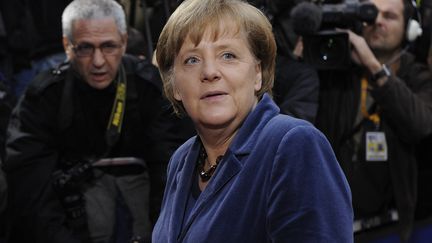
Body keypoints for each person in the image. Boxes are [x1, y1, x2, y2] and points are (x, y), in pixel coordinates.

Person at [152, 0, 353, 242]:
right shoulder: (182, 160)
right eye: (192, 60)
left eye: (228, 55)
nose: (209, 72)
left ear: (258, 73)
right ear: (174, 85)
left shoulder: (293, 144)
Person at [3, 0, 193, 242]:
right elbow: (30, 190)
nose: (98, 61)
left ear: (124, 42)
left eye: (109, 47)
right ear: (67, 46)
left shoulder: (150, 88)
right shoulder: (43, 98)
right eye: (85, 48)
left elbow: (171, 172)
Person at [314, 0, 432, 241]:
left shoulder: (416, 74)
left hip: (389, 226)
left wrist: (374, 66)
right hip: (332, 222)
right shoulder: (336, 63)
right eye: (370, 14)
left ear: (409, 28)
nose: (377, 21)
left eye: (389, 16)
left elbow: (420, 125)